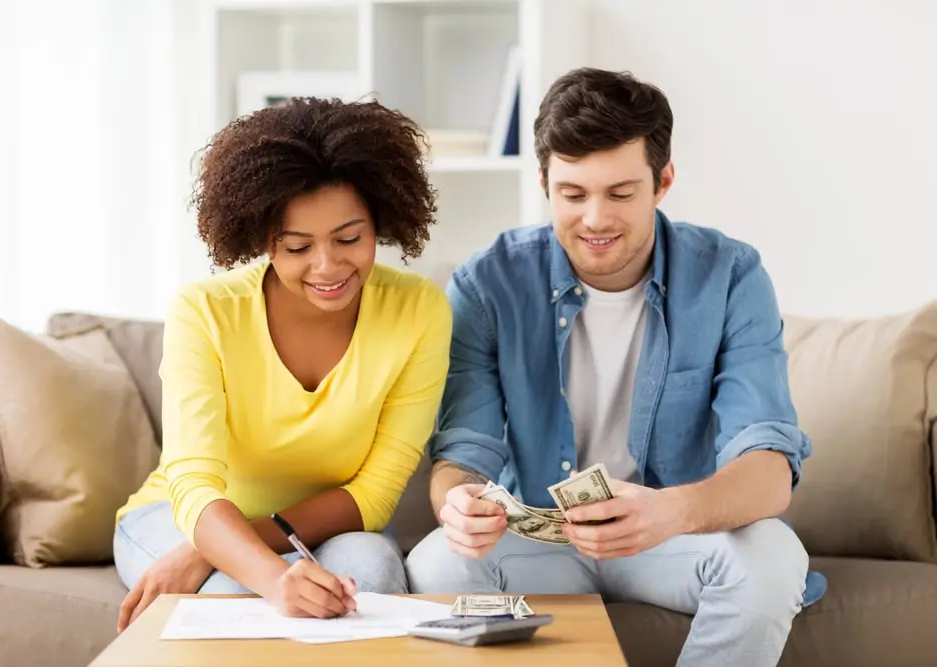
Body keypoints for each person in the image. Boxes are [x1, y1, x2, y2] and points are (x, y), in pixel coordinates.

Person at [404, 68, 826, 667]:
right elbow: (463, 452)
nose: (596, 219)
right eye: (573, 194)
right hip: (543, 542)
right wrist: (459, 504)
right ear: (545, 182)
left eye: (621, 193)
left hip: (674, 536)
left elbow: (768, 466)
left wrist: (670, 511)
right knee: (433, 560)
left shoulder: (730, 276)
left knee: (776, 556)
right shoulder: (487, 282)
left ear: (663, 181)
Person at [113, 96, 452, 632]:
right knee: (231, 595)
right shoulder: (204, 311)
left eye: (350, 238)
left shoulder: (419, 309)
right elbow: (194, 483)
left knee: (374, 577)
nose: (328, 266)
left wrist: (230, 549)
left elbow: (376, 491)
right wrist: (263, 572)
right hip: (187, 518)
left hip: (332, 524)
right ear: (261, 238)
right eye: (297, 248)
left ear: (380, 221)